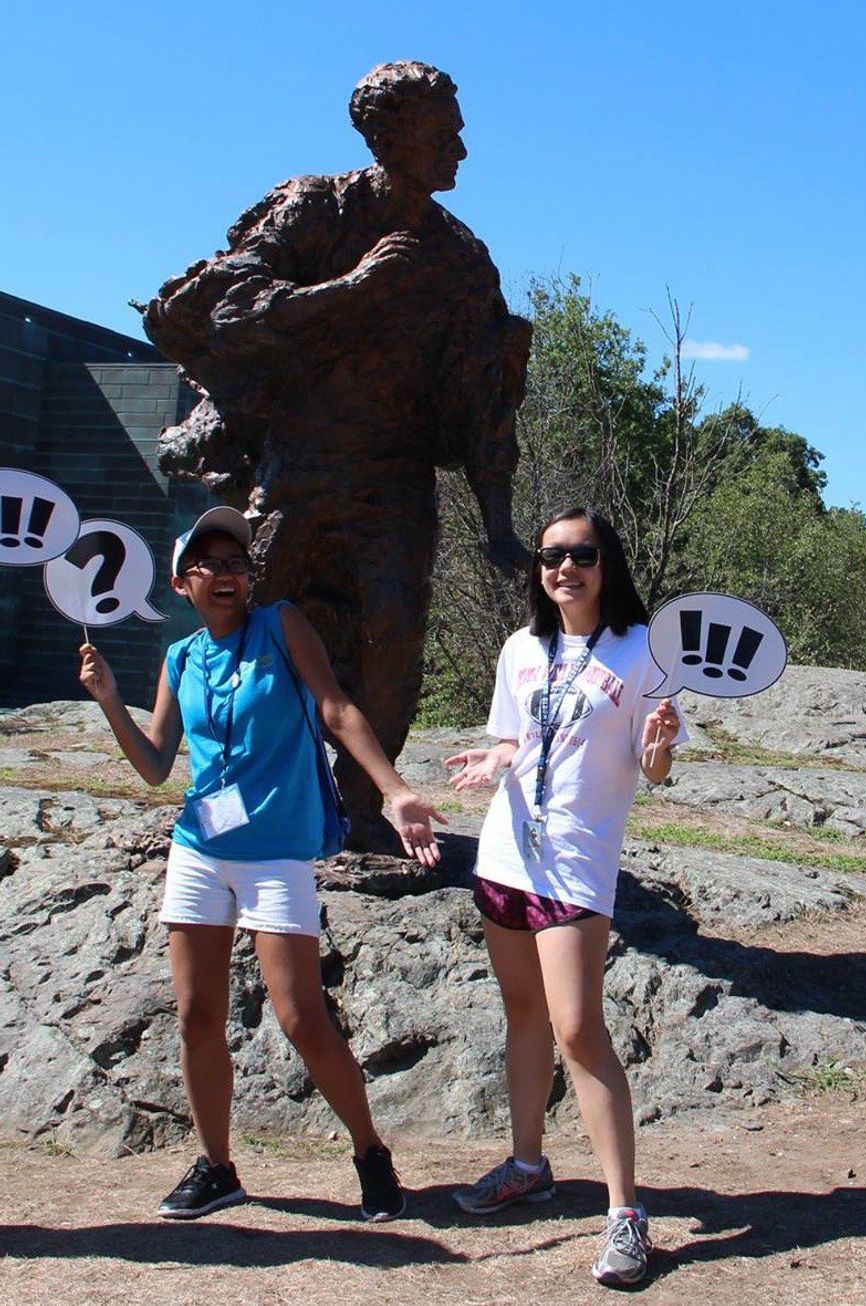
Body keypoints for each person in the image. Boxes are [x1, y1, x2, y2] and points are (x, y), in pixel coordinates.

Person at [142, 60, 531, 851]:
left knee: (393, 631)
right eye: (443, 133)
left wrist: (498, 523)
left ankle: (363, 808)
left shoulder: (459, 259)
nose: (460, 149)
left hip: (394, 481)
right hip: (296, 468)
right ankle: (238, 793)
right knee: (254, 627)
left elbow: (484, 398)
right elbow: (229, 305)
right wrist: (353, 289)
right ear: (387, 135)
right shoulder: (316, 207)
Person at [79, 506, 445, 1221]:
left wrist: (394, 791)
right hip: (199, 850)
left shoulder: (281, 625)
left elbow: (336, 709)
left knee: (301, 1014)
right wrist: (108, 701)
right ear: (182, 584)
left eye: (236, 563)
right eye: (209, 565)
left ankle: (370, 1153)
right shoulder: (181, 658)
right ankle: (217, 1167)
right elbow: (155, 765)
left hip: (276, 852)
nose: (226, 574)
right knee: (196, 1015)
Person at [445, 507, 681, 1288]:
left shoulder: (642, 651)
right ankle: (527, 1166)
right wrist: (495, 759)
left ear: (607, 562)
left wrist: (659, 750)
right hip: (505, 857)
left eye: (580, 554)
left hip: (577, 868)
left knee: (578, 1030)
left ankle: (626, 1214)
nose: (563, 568)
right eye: (550, 556)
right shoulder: (522, 647)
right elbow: (514, 739)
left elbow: (655, 768)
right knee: (524, 1015)